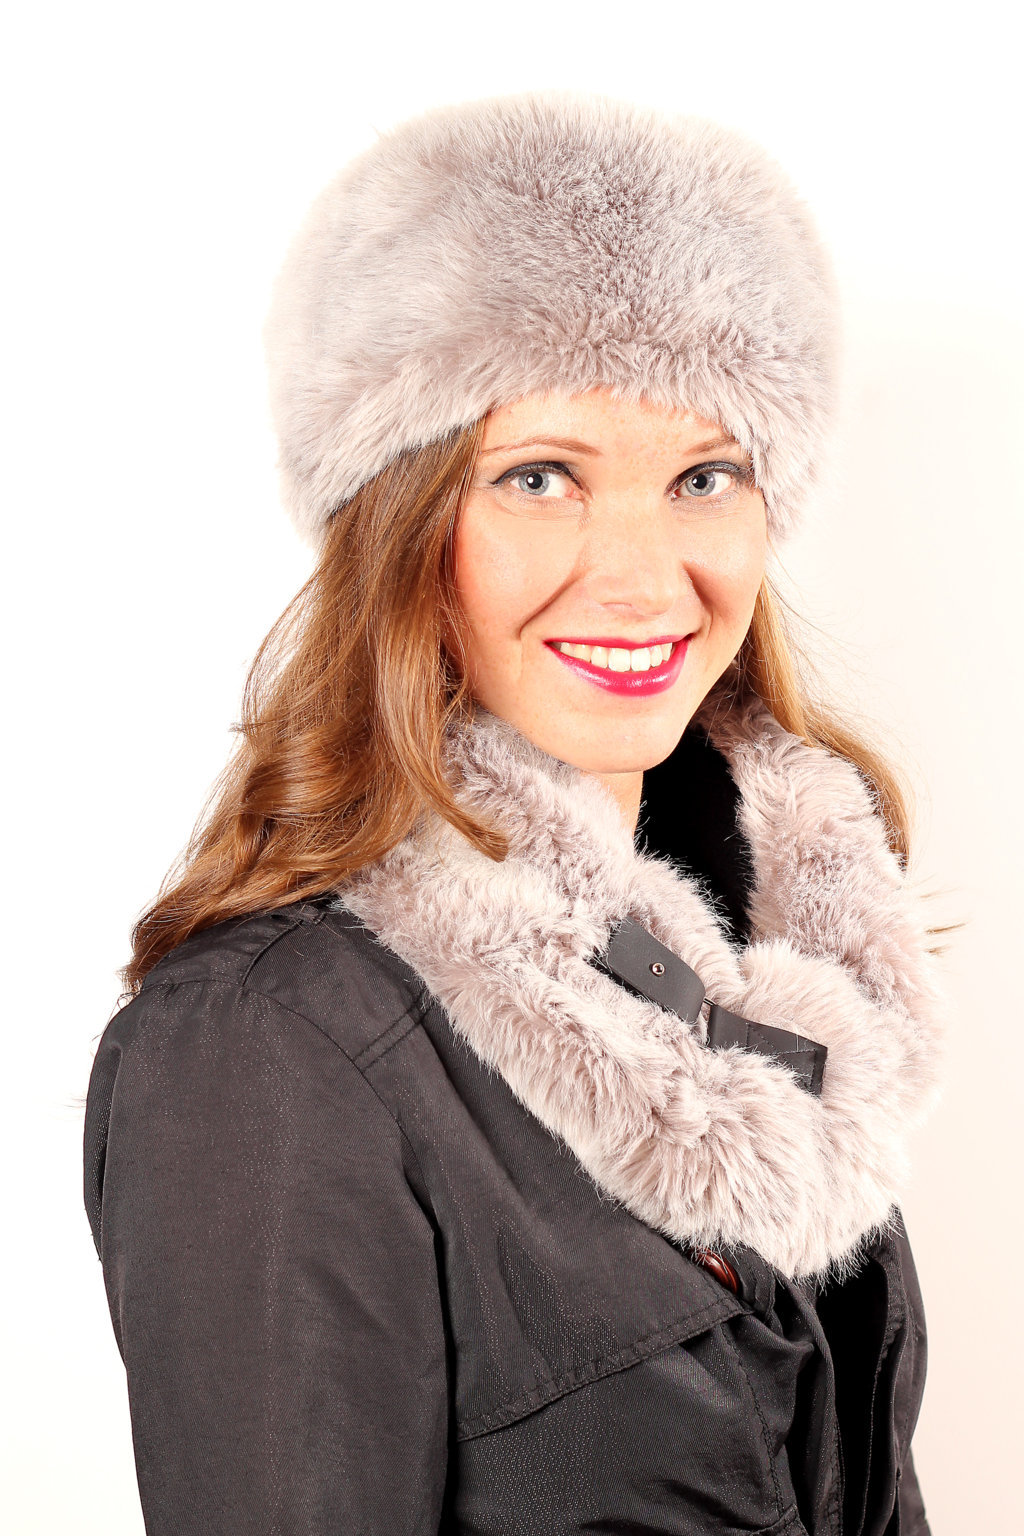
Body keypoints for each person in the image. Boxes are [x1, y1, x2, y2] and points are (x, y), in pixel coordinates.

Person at [82, 89, 948, 1535]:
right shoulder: (270, 1042)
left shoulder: (762, 981)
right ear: (402, 529)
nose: (645, 578)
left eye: (703, 476)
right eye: (540, 478)